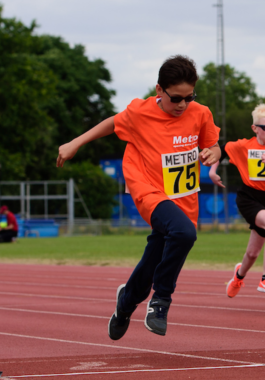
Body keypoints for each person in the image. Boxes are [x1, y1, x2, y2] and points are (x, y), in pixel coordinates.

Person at [56, 55, 221, 340]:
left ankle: (125, 303)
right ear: (159, 90)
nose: (182, 104)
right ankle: (161, 302)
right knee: (183, 234)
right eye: (175, 98)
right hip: (148, 189)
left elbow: (214, 145)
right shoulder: (139, 112)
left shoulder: (200, 113)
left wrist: (214, 153)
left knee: (150, 265)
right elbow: (111, 123)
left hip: (183, 198)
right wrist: (75, 143)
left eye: (189, 97)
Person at [209, 104, 265, 298]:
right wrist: (212, 171)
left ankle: (238, 277)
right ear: (255, 128)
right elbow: (221, 150)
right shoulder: (243, 146)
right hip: (248, 197)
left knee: (252, 254)